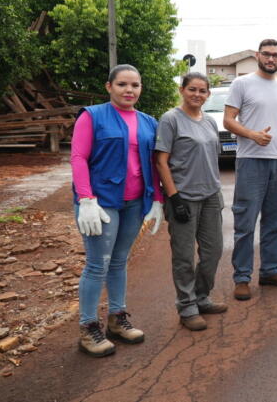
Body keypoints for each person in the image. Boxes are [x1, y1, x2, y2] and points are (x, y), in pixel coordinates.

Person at [70, 64, 164, 357]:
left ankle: (117, 318)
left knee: (120, 261)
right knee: (98, 264)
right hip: (100, 204)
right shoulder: (92, 116)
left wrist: (157, 200)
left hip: (135, 203)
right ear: (109, 86)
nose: (129, 90)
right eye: (123, 84)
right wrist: (86, 199)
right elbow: (78, 157)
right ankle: (88, 328)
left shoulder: (149, 122)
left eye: (135, 85)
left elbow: (154, 164)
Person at [224, 39, 277, 301]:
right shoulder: (241, 84)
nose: (271, 59)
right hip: (250, 159)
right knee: (245, 222)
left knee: (274, 222)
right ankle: (242, 277)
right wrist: (253, 135)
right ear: (258, 55)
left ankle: (270, 270)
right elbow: (228, 120)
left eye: (275, 55)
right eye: (266, 54)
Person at [155, 73, 227, 332]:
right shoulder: (170, 119)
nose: (197, 95)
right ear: (182, 90)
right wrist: (173, 198)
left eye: (202, 91)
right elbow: (161, 161)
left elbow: (211, 157)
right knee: (184, 256)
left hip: (210, 196)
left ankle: (201, 297)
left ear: (208, 94)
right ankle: (186, 307)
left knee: (213, 251)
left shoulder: (209, 121)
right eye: (192, 89)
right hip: (183, 197)